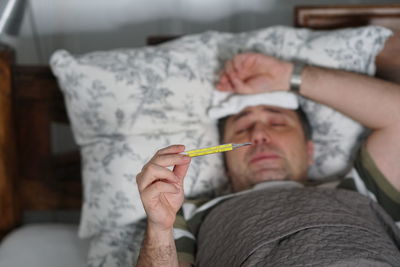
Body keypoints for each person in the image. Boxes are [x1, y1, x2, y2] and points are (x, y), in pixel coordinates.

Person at [135, 35, 400, 266]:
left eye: (277, 123)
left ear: (309, 149)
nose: (259, 135)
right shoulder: (184, 212)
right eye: (242, 129)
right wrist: (159, 228)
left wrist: (289, 76)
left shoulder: (361, 189)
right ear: (226, 160)